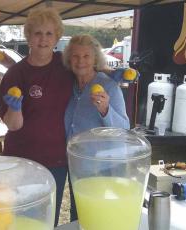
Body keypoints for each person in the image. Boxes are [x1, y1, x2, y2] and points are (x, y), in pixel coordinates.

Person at [0, 8, 73, 226]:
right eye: (38, 33)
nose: (43, 39)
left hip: (56, 160)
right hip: (21, 160)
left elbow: (89, 64)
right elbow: (13, 125)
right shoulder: (16, 74)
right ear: (28, 37)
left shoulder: (65, 65)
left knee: (47, 218)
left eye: (49, 34)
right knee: (21, 219)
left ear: (57, 37)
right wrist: (15, 108)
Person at [63, 34, 130, 220]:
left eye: (86, 56)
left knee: (102, 217)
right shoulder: (70, 86)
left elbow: (124, 129)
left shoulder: (109, 86)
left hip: (103, 168)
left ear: (95, 59)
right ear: (69, 59)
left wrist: (106, 110)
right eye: (75, 56)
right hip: (78, 167)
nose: (81, 61)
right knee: (79, 215)